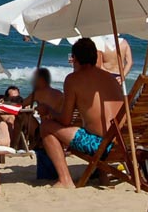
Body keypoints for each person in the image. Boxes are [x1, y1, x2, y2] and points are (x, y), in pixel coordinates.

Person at [39, 38, 124, 188]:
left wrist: (49, 111)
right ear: (95, 57)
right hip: (123, 142)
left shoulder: (73, 80)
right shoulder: (110, 78)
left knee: (46, 127)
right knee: (93, 129)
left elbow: (65, 120)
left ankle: (65, 180)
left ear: (74, 58)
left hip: (100, 146)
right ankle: (103, 177)